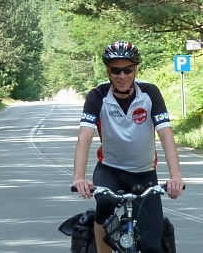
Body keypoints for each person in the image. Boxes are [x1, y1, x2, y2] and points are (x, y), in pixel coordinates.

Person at [72, 40, 184, 253]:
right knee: (104, 204)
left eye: (127, 69)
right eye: (115, 70)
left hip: (144, 174)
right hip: (109, 170)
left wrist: (175, 176)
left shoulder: (150, 94)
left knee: (152, 246)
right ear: (108, 71)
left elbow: (166, 134)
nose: (121, 76)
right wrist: (79, 177)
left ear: (135, 69)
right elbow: (84, 137)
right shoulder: (98, 96)